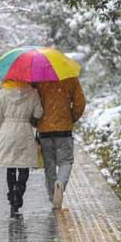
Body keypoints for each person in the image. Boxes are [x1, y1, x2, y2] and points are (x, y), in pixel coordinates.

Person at [0, 79, 44, 215]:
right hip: (25, 132)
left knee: (11, 166)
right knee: (24, 167)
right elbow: (39, 113)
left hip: (7, 133)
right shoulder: (32, 93)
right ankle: (19, 189)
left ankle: (12, 193)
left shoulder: (2, 93)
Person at [36, 77, 86, 210]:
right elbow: (80, 103)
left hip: (45, 130)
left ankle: (53, 195)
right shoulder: (70, 78)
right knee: (65, 161)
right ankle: (60, 184)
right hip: (64, 130)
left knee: (49, 164)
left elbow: (34, 104)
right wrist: (70, 118)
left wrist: (37, 122)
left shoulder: (40, 79)